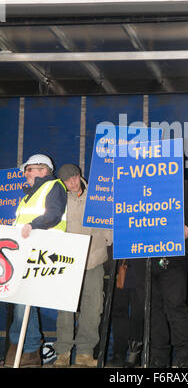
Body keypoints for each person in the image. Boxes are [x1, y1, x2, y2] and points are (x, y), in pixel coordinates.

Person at [5, 154, 67, 368]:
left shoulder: (54, 186)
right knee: (20, 300)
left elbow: (55, 214)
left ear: (43, 170)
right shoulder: (27, 196)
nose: (25, 174)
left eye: (28, 170)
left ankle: (27, 349)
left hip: (43, 252)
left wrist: (34, 225)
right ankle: (22, 347)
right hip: (26, 251)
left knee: (24, 302)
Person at [53, 164, 112, 368]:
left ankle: (84, 353)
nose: (73, 183)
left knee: (93, 307)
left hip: (94, 258)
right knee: (64, 308)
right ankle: (62, 353)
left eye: (75, 177)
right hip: (67, 260)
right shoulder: (58, 200)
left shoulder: (97, 195)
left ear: (80, 176)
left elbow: (107, 220)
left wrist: (109, 239)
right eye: (68, 180)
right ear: (63, 183)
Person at [149, 179, 188, 368]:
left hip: (174, 257)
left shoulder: (186, 187)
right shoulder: (145, 183)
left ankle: (184, 358)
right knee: (154, 309)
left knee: (176, 308)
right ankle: (159, 357)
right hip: (148, 256)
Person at [107, 258, 145, 367]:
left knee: (137, 312)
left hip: (140, 264)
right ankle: (119, 353)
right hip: (121, 265)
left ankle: (135, 354)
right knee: (119, 310)